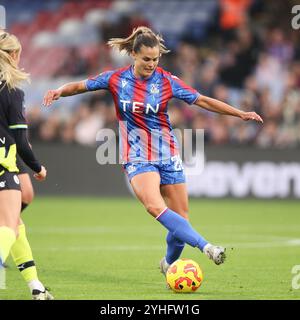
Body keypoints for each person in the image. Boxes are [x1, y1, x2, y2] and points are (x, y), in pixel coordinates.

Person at [43, 26, 263, 278]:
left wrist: (239, 113)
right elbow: (82, 85)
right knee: (154, 206)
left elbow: (202, 100)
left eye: (155, 59)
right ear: (134, 55)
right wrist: (60, 90)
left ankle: (168, 263)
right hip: (136, 156)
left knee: (180, 219)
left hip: (167, 154)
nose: (151, 64)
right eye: (146, 59)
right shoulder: (116, 79)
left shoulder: (167, 81)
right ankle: (207, 247)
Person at [0, 30, 53, 300]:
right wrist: (38, 167)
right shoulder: (12, 92)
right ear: (12, 55)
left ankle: (36, 287)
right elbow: (21, 140)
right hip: (3, 163)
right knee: (8, 226)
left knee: (17, 226)